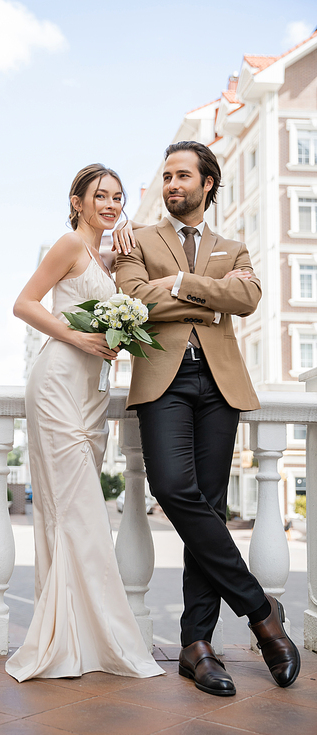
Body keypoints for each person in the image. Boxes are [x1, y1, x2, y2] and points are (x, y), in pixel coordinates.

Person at [114, 141, 300, 696]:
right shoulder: (137, 241)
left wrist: (180, 286)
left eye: (181, 176)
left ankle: (197, 647)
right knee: (174, 488)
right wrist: (205, 300)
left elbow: (247, 298)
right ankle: (262, 613)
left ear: (207, 184)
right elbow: (134, 300)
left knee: (211, 507)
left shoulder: (233, 245)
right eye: (166, 176)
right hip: (162, 380)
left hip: (220, 382)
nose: (171, 185)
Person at [5, 164, 165, 683]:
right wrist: (78, 337)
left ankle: (77, 632)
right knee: (77, 512)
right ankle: (89, 638)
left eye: (118, 197)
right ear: (77, 201)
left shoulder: (107, 257)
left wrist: (117, 332)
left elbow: (122, 298)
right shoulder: (69, 245)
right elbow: (24, 304)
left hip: (93, 393)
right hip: (58, 383)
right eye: (101, 195)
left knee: (72, 513)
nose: (111, 204)